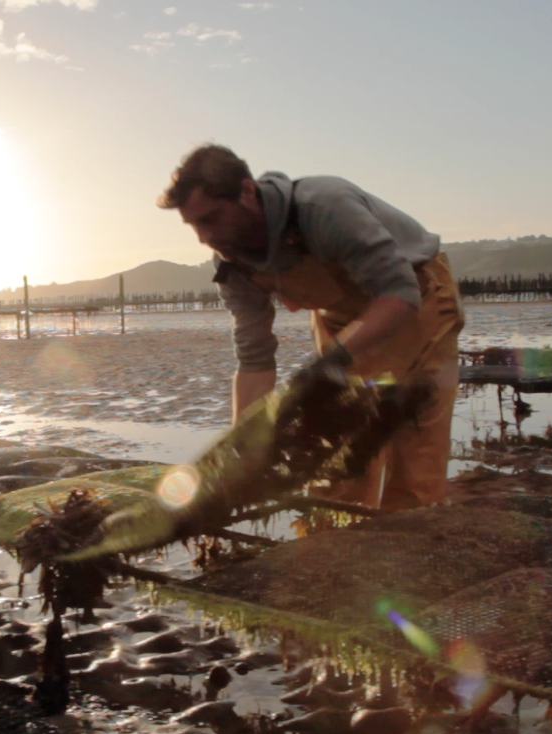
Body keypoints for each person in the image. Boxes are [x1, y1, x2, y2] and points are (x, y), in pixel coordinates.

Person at [159, 144, 465, 510]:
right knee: (333, 460)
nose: (203, 237)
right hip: (339, 315)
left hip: (418, 300)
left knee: (414, 458)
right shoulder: (232, 264)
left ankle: (409, 549)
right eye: (192, 225)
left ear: (245, 191)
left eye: (210, 219)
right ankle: (333, 553)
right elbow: (255, 360)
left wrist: (334, 359)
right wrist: (243, 447)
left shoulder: (325, 208)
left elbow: (400, 292)